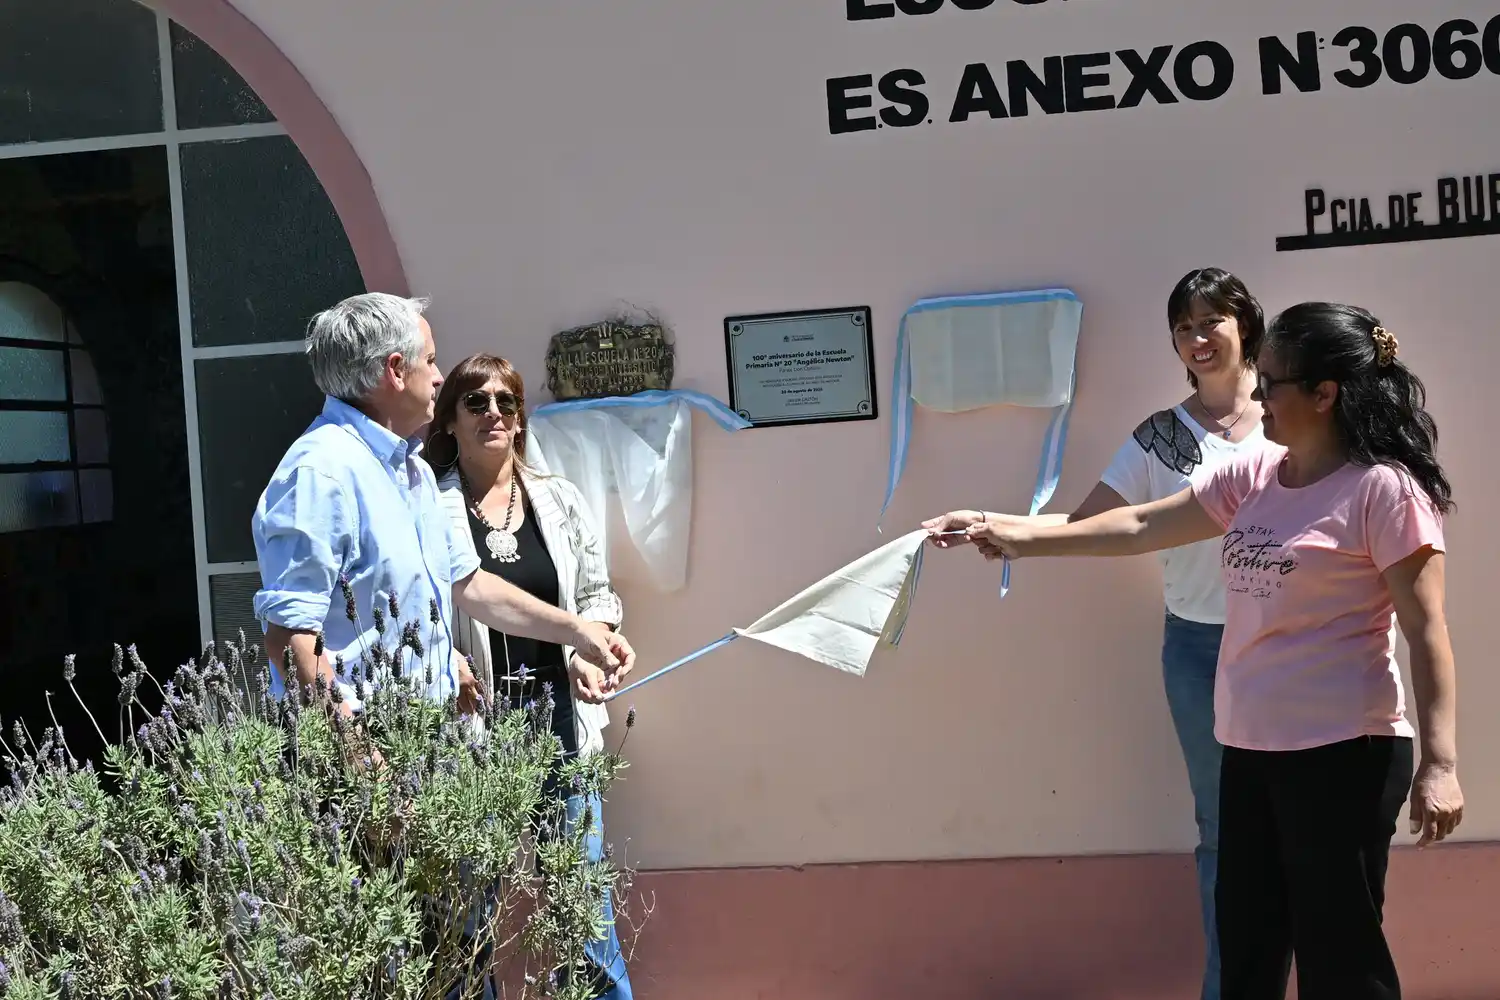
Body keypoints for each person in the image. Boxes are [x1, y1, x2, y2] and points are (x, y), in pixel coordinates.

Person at [928, 302, 1462, 1000]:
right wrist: (1001, 530)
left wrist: (1441, 764)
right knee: (1247, 949)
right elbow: (1137, 525)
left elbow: (1427, 632)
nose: (1257, 397)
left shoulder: (1384, 490)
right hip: (1249, 748)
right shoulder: (1258, 473)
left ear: (1325, 394)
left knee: (1340, 960)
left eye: (1272, 383)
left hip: (1342, 754)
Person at [924, 266, 1268, 1000]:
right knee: (1224, 831)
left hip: (1293, 647)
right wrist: (988, 522)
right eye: (1183, 327)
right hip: (1200, 651)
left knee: (1305, 830)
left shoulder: (1292, 417)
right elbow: (1091, 523)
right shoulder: (1159, 438)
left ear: (1245, 323)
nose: (1198, 339)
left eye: (1210, 321)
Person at [251, 291, 635, 718]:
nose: (438, 377)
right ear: (396, 370)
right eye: (430, 360)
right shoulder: (320, 473)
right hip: (367, 744)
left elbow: (471, 586)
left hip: (424, 739)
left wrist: (578, 631)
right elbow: (290, 638)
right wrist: (358, 749)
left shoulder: (410, 470)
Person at [426, 353, 634, 999]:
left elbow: (596, 596)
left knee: (584, 910)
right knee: (466, 920)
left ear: (520, 419)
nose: (493, 413)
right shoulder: (428, 506)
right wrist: (444, 657)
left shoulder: (560, 500)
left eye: (506, 402)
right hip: (471, 740)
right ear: (451, 420)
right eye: (476, 401)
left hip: (561, 732)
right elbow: (411, 607)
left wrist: (586, 650)